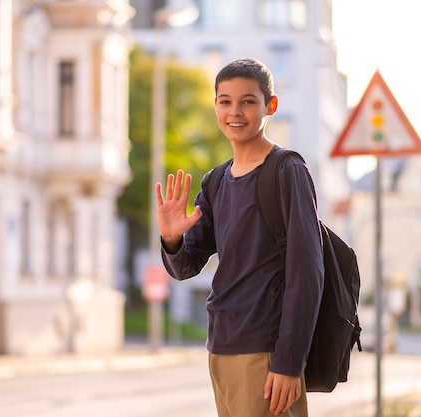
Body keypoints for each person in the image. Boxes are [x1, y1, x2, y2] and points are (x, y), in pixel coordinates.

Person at [155, 57, 324, 417]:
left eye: (248, 101)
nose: (236, 111)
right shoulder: (216, 181)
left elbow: (307, 272)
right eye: (225, 101)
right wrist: (171, 240)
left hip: (265, 350)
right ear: (215, 105)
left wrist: (289, 361)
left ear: (270, 106)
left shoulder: (287, 170)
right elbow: (185, 267)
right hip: (222, 345)